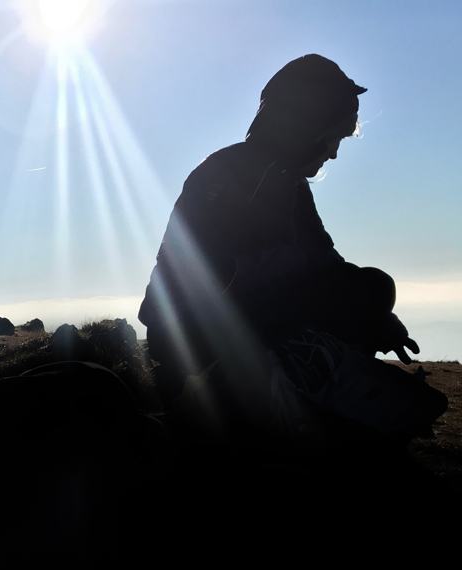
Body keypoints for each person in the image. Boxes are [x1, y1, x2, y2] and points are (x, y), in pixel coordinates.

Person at [138, 54, 446, 439]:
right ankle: (260, 391)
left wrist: (379, 317)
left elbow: (324, 261)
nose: (333, 152)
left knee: (372, 288)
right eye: (333, 136)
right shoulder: (232, 178)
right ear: (304, 125)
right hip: (199, 342)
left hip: (254, 324)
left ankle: (309, 377)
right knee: (354, 294)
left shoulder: (286, 184)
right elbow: (201, 288)